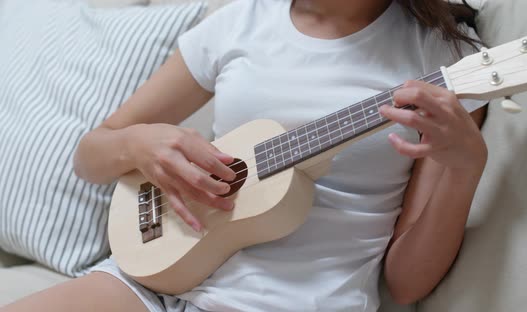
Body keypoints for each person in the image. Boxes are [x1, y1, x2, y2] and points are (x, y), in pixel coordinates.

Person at [1, 0, 488, 311]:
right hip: (151, 277)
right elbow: (89, 157)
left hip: (291, 301)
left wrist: (466, 169)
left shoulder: (447, 62)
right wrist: (139, 144)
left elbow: (406, 285)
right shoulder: (244, 19)